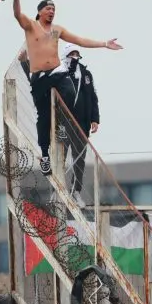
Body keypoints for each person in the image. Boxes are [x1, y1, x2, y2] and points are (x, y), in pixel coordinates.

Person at [7, 0, 122, 175]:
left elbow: (79, 40)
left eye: (54, 9)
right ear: (40, 11)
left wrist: (104, 44)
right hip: (39, 77)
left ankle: (60, 124)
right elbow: (17, 14)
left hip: (57, 71)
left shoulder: (57, 30)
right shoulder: (31, 25)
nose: (52, 11)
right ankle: (44, 155)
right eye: (48, 9)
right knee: (43, 118)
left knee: (69, 92)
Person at [60, 42, 101, 197]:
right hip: (63, 124)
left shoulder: (86, 74)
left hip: (81, 123)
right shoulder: (59, 73)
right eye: (72, 54)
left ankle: (76, 190)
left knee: (79, 158)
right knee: (60, 157)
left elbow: (93, 97)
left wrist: (94, 119)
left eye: (77, 54)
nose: (75, 57)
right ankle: (59, 188)